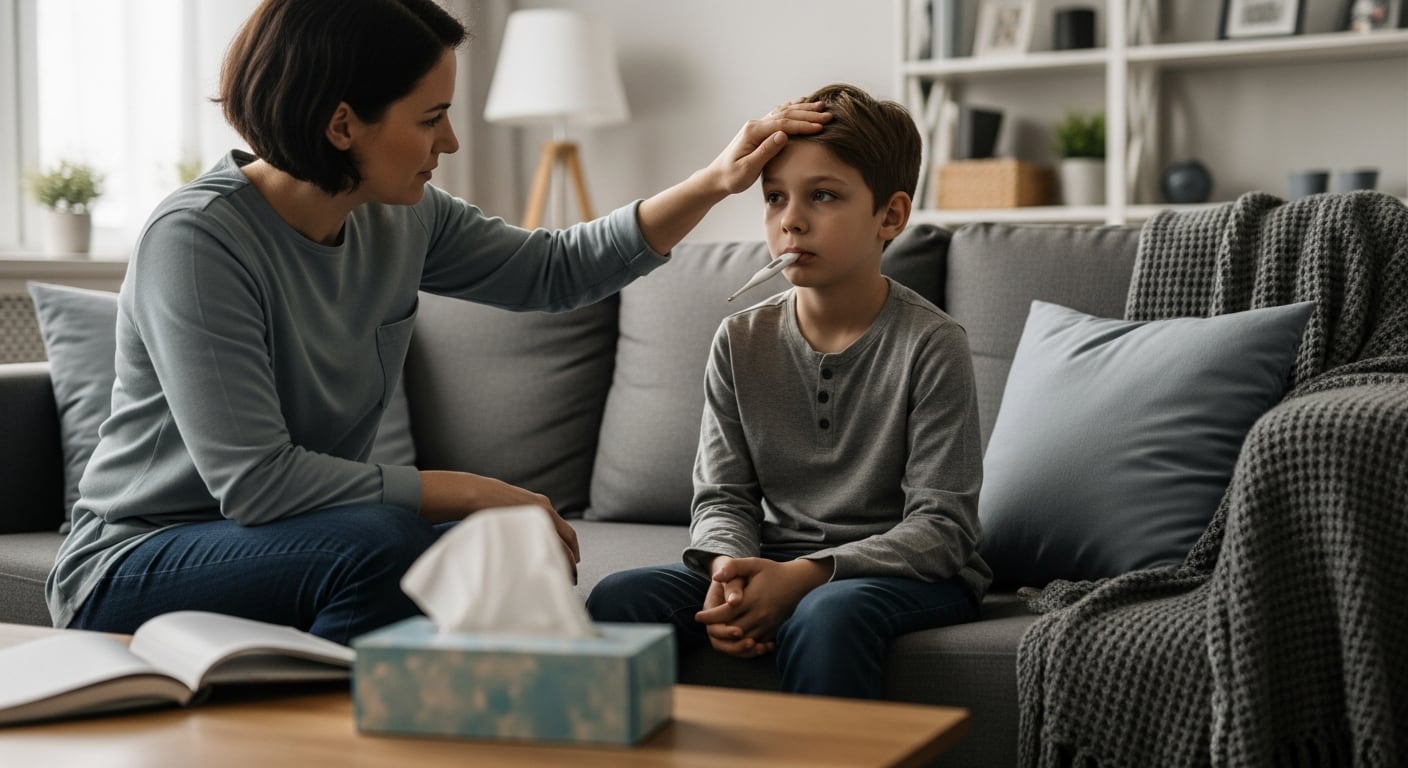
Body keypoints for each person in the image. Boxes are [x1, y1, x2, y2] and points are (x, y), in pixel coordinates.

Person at [44, 0, 829, 644]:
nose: (450, 142)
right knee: (387, 548)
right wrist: (478, 491)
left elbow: (557, 270)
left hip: (299, 538)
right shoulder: (198, 240)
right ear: (343, 123)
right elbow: (258, 482)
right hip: (139, 558)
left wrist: (714, 182)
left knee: (508, 557)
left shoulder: (397, 218)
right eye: (431, 118)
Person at [586, 83, 991, 699]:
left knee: (825, 615)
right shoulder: (738, 339)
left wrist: (805, 577)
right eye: (774, 198)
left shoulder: (932, 344)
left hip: (908, 574)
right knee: (621, 598)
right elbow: (722, 498)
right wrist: (727, 572)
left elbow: (943, 528)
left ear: (891, 215)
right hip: (774, 558)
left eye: (822, 196)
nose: (790, 220)